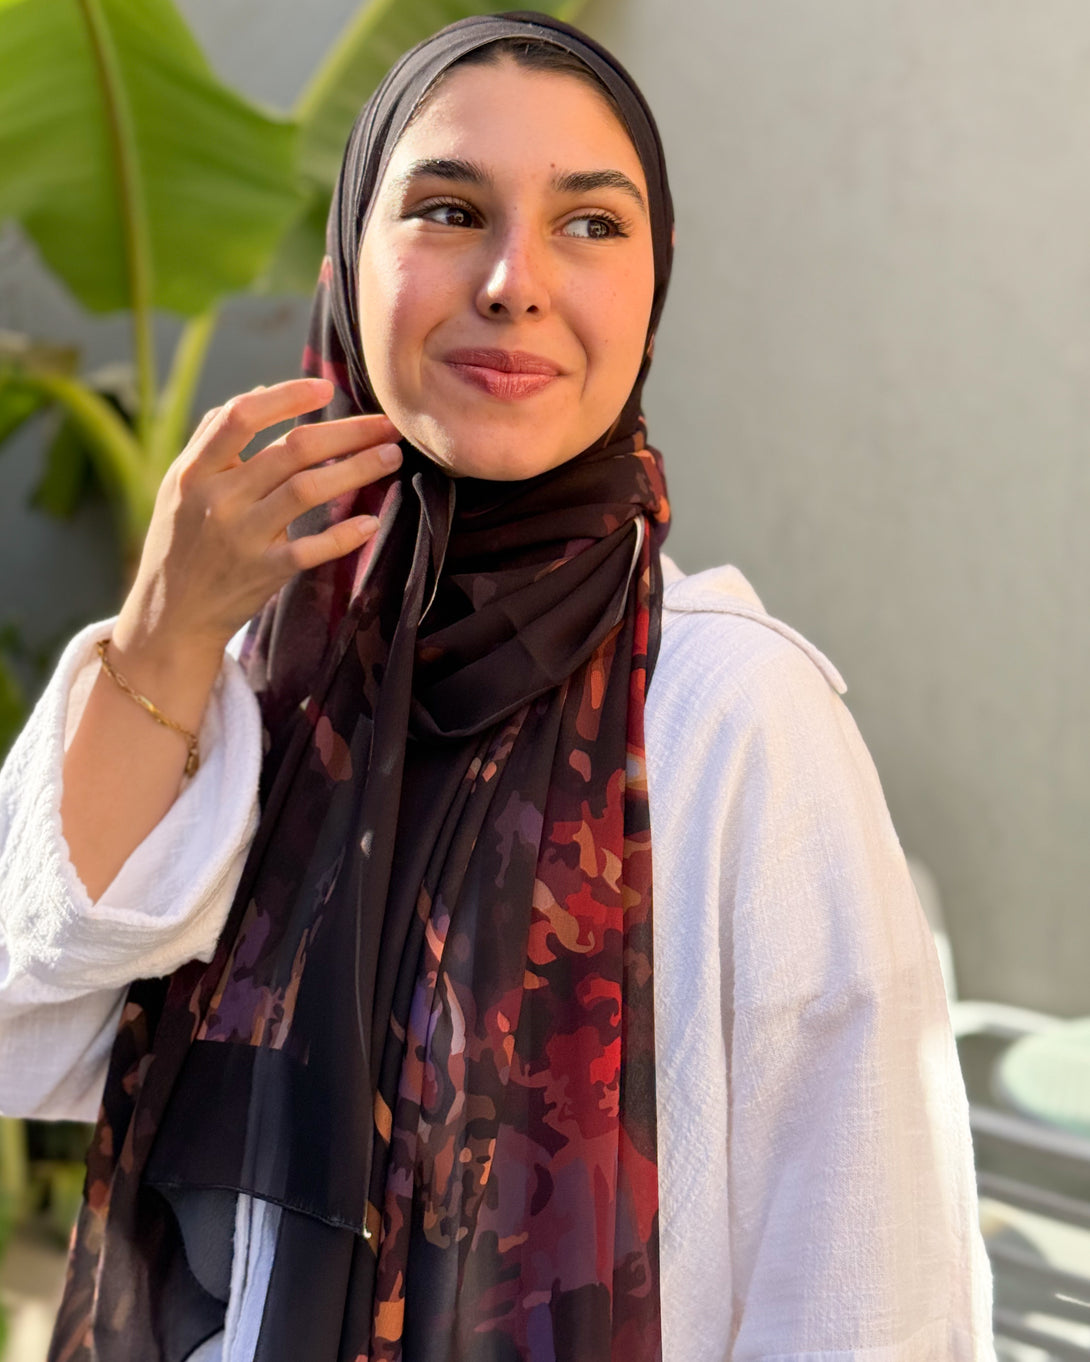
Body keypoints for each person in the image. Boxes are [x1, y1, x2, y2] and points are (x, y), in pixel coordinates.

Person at [0, 12, 996, 1362]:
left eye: (590, 223)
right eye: (450, 210)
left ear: (654, 287)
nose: (515, 281)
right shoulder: (265, 677)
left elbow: (869, 1287)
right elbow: (30, 1014)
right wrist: (166, 632)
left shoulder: (730, 713)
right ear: (345, 264)